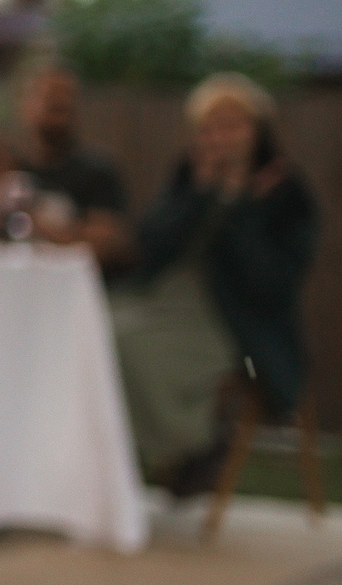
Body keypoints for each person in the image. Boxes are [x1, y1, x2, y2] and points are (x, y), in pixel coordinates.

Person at [112, 73, 318, 495]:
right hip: (160, 298)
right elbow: (146, 247)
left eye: (231, 125)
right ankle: (126, 461)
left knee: (130, 342)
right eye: (209, 128)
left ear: (257, 132)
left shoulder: (285, 193)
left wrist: (238, 203)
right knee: (92, 328)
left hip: (235, 321)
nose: (219, 137)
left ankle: (195, 442)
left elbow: (272, 283)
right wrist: (200, 195)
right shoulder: (189, 178)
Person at [0, 65, 131, 272]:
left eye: (66, 101)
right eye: (49, 99)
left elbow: (105, 247)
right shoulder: (7, 165)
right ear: (25, 104)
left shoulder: (96, 170)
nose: (59, 108)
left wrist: (35, 218)